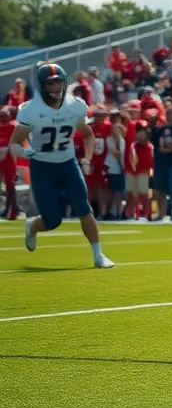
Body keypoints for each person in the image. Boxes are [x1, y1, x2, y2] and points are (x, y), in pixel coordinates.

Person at [9, 64, 113, 268]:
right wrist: (25, 151)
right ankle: (33, 225)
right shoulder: (30, 110)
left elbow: (87, 134)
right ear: (41, 86)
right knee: (53, 220)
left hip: (68, 163)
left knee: (84, 208)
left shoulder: (75, 105)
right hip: (42, 166)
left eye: (59, 82)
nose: (56, 87)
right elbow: (14, 143)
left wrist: (87, 158)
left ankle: (98, 254)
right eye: (50, 82)